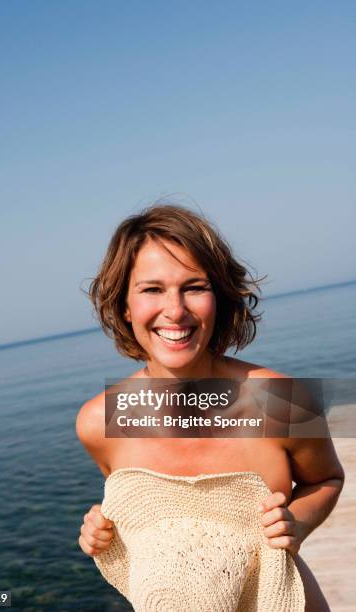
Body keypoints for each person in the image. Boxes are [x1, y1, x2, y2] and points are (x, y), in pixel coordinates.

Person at [76, 204, 344, 611]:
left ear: (219, 298)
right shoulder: (98, 422)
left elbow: (326, 479)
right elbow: (144, 520)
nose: (175, 310)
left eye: (194, 287)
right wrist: (103, 534)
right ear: (124, 307)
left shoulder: (280, 401)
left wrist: (298, 522)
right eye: (152, 289)